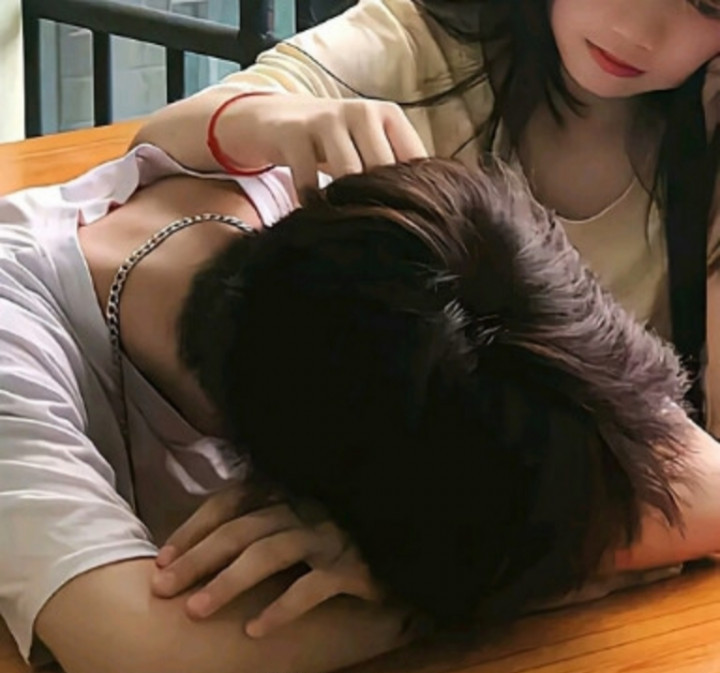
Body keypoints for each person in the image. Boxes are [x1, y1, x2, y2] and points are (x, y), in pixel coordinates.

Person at [3, 141, 720, 673]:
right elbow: (137, 659)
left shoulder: (399, 242)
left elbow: (705, 488)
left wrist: (426, 567)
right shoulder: (18, 347)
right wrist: (458, 588)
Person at [133, 0, 720, 422]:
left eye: (706, 5)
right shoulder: (421, 45)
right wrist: (272, 118)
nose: (637, 30)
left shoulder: (706, 126)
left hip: (606, 521)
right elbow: (166, 136)